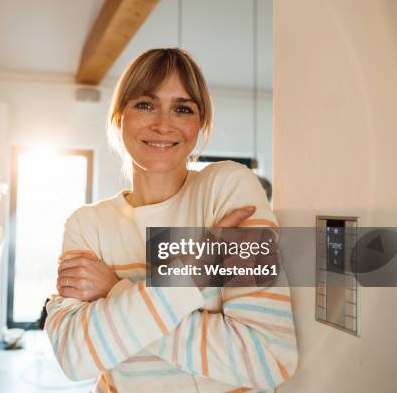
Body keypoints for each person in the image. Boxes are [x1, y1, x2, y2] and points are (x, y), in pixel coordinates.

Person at [44, 48, 298, 392]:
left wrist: (116, 291)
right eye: (145, 104)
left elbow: (268, 358)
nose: (163, 124)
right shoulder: (87, 225)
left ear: (200, 123)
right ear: (119, 117)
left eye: (182, 108)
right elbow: (75, 357)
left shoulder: (228, 188)